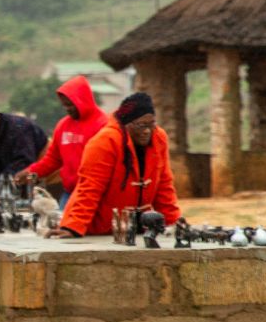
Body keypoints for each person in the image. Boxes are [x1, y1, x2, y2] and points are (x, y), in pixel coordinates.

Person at [55, 92, 182, 238]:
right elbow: (90, 188)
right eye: (141, 125)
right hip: (99, 229)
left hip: (137, 228)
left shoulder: (158, 137)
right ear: (126, 124)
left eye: (151, 124)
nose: (147, 131)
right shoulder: (105, 141)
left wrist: (175, 223)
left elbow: (164, 185)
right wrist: (73, 227)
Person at [15, 74, 108, 192]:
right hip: (69, 190)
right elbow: (53, 159)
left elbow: (105, 164)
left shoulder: (103, 124)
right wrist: (30, 173)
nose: (67, 109)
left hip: (94, 191)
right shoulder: (63, 125)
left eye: (70, 104)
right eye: (65, 105)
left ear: (82, 100)